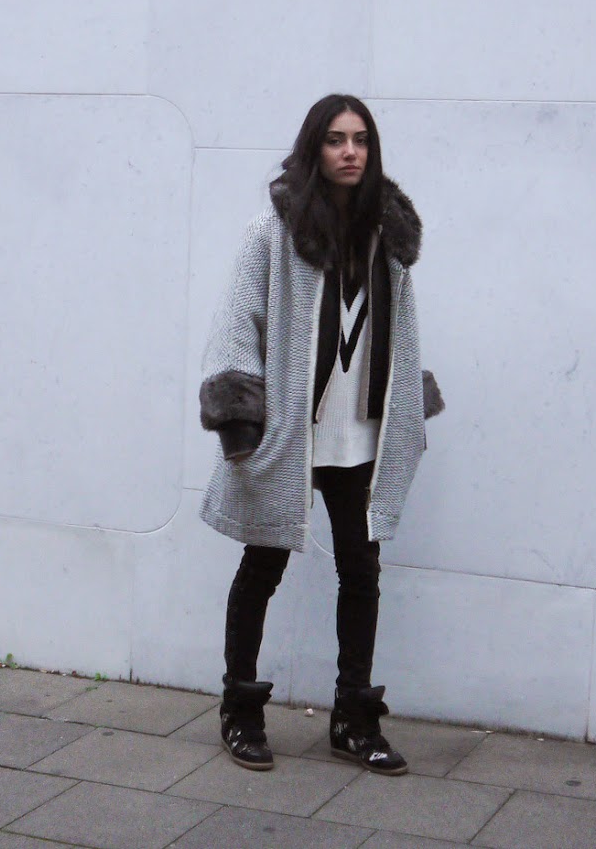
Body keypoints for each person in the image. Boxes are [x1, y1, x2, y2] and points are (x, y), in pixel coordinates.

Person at [197, 94, 444, 775]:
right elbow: (237, 323)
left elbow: (400, 334)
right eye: (336, 139)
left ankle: (352, 719)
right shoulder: (271, 232)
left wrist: (406, 409)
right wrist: (241, 420)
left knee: (361, 573)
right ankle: (240, 709)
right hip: (289, 433)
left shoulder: (387, 239)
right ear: (315, 147)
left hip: (358, 434)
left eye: (360, 139)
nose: (350, 151)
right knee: (263, 566)